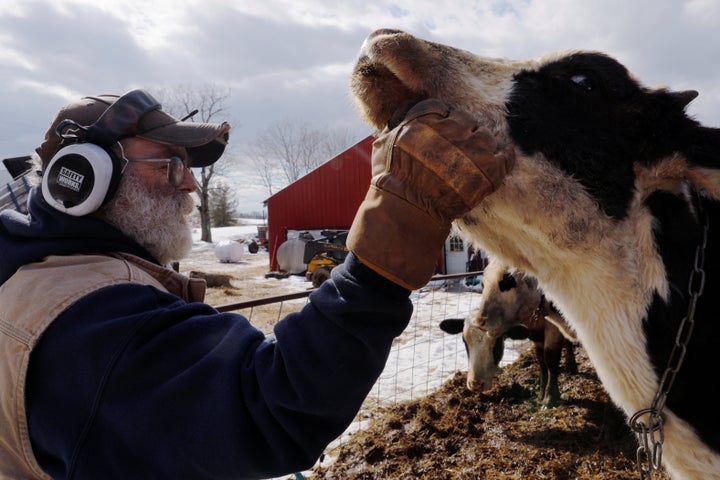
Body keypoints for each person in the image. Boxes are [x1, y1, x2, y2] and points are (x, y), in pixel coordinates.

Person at [0, 90, 514, 480]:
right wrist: (382, 261)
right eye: (168, 165)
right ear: (83, 177)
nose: (188, 184)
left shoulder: (38, 272)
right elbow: (269, 403)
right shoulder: (89, 315)